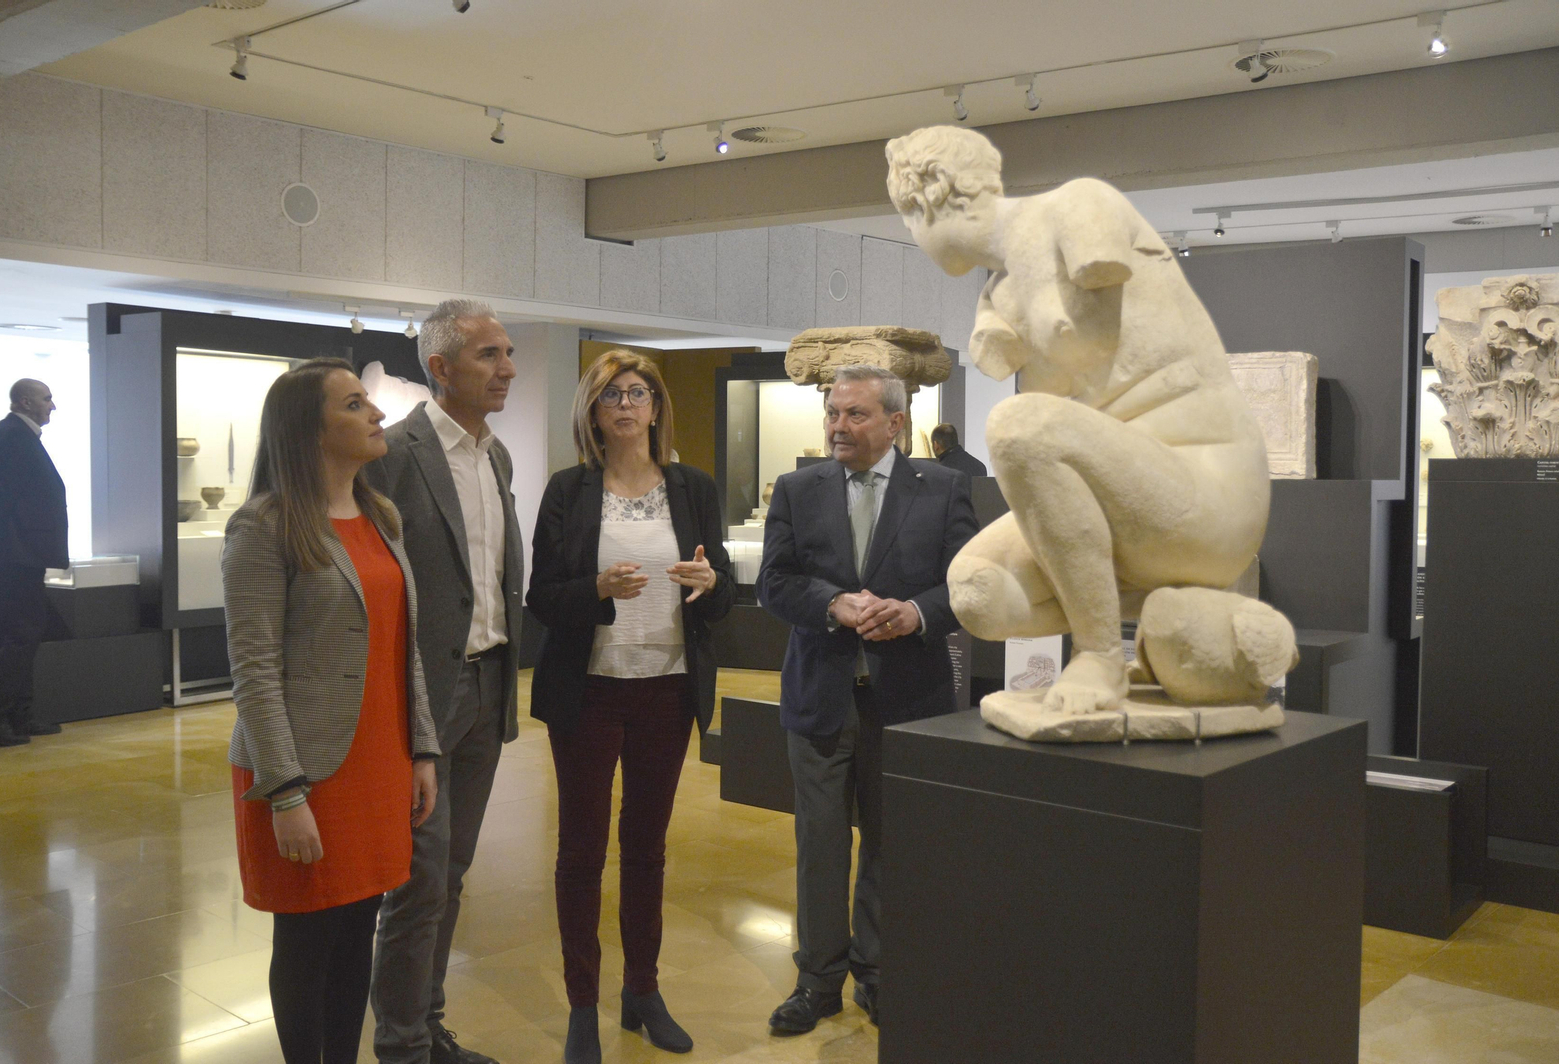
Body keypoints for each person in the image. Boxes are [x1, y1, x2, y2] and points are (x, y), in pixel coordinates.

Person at [886, 125, 1269, 715]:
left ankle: (1098, 655)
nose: (912, 237)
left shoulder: (1079, 204)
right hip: (1118, 496)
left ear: (931, 195)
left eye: (906, 220)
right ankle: (1172, 621)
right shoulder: (999, 296)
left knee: (1020, 426)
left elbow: (1087, 300)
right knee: (978, 591)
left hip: (1203, 486)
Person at [221, 358, 440, 1064]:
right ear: (307, 430)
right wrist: (284, 792)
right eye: (354, 405)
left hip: (381, 757)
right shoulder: (264, 525)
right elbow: (253, 668)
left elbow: (406, 648)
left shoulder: (380, 515)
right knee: (309, 937)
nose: (376, 414)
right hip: (304, 770)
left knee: (358, 931)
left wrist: (423, 750)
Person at [757, 364, 978, 1034]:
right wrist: (833, 603)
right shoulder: (799, 489)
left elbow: (968, 583)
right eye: (832, 413)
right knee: (819, 843)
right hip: (821, 696)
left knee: (889, 842)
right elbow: (774, 582)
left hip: (907, 698)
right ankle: (817, 981)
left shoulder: (942, 489)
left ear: (895, 422)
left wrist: (915, 612)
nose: (838, 426)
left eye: (855, 414)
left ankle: (879, 976)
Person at [528, 351, 734, 1064]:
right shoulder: (569, 490)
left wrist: (710, 581)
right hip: (588, 689)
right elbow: (540, 599)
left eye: (638, 392)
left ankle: (642, 992)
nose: (625, 404)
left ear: (655, 408)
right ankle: (582, 1004)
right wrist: (595, 589)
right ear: (593, 408)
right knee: (581, 852)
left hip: (667, 686)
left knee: (647, 849)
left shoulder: (694, 487)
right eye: (612, 393)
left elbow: (727, 592)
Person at [366, 300, 523, 1064]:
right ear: (441, 368)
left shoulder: (497, 457)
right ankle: (400, 1046)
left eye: (508, 353)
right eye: (491, 355)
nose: (508, 369)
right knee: (419, 879)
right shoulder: (393, 455)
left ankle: (426, 1027)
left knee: (451, 872)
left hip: (490, 686)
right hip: (426, 694)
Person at [0, 379, 68, 746]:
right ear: (26, 402)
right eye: (47, 398)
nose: (52, 405)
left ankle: (17, 716)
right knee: (21, 635)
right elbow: (3, 497)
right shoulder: (13, 437)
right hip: (14, 556)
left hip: (17, 555)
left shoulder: (16, 436)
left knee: (21, 635)